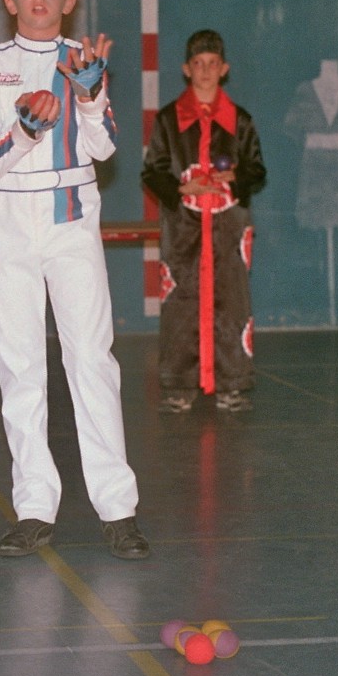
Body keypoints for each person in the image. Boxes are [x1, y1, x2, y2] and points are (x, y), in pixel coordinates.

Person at [0, 0, 149, 561]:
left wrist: (91, 95)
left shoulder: (82, 60)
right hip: (9, 225)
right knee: (20, 367)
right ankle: (34, 507)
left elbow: (104, 147)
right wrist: (27, 129)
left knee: (92, 360)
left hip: (72, 222)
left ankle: (118, 509)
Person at [141, 30, 267, 414]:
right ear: (186, 69)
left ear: (224, 69)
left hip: (229, 227)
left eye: (213, 64)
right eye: (198, 64)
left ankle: (232, 383)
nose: (206, 71)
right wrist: (182, 187)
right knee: (181, 299)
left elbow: (257, 170)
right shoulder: (168, 120)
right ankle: (179, 385)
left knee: (232, 300)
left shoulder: (240, 121)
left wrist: (237, 177)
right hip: (183, 227)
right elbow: (152, 171)